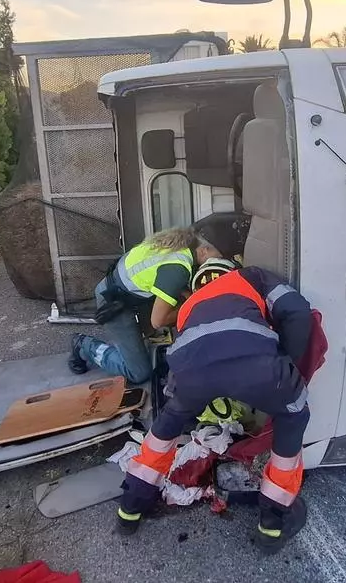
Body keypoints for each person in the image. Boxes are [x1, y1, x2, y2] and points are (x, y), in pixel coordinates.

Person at [114, 258, 313, 554]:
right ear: (230, 270)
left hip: (192, 372)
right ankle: (273, 525)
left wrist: (178, 398)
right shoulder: (251, 276)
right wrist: (287, 366)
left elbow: (193, 353)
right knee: (293, 414)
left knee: (168, 424)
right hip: (258, 365)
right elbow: (297, 310)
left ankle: (130, 509)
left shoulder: (190, 305)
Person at [68, 228, 223, 384]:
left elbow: (168, 278)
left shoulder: (182, 245)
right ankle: (84, 345)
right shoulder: (179, 267)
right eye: (218, 258)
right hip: (113, 302)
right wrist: (193, 305)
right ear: (204, 250)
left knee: (178, 308)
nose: (218, 263)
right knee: (139, 372)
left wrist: (189, 297)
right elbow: (158, 321)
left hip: (130, 292)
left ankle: (142, 341)